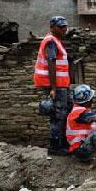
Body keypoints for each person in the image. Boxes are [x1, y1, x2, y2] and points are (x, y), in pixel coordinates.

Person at [34, 16, 72, 155]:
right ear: (52, 27)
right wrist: (53, 88)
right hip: (57, 86)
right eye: (61, 27)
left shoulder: (56, 41)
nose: (64, 29)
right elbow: (52, 64)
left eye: (65, 26)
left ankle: (62, 143)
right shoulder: (51, 42)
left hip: (62, 85)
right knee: (58, 115)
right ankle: (55, 147)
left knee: (64, 112)